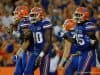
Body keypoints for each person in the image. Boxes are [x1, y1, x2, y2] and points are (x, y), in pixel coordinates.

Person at [60, 7, 97, 75]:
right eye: (76, 15)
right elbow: (77, 41)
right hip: (81, 53)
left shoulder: (88, 25)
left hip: (87, 52)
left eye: (79, 15)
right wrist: (67, 37)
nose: (76, 17)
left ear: (85, 15)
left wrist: (92, 42)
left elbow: (93, 41)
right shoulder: (77, 26)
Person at [29, 7, 52, 75]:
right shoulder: (31, 25)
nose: (33, 17)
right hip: (35, 52)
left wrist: (41, 55)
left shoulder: (45, 23)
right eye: (32, 15)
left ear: (40, 15)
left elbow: (48, 42)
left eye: (34, 15)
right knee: (27, 71)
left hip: (45, 53)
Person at [12, 5, 34, 75]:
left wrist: (18, 53)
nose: (15, 15)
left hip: (29, 50)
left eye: (17, 13)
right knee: (17, 73)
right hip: (24, 50)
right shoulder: (22, 22)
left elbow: (26, 41)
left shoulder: (26, 23)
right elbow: (21, 37)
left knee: (27, 72)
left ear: (22, 14)